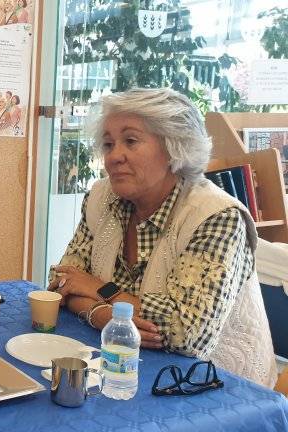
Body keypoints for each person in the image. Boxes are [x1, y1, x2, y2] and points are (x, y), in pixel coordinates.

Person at [49, 87, 277, 388]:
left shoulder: (217, 216)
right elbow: (62, 283)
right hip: (122, 366)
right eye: (108, 144)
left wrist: (97, 289)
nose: (114, 156)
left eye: (131, 141)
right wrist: (102, 315)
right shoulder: (103, 198)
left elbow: (184, 333)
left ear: (174, 147)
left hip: (214, 386)